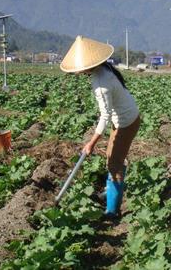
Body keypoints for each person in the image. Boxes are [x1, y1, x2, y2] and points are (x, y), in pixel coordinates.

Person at [60, 36, 140, 218]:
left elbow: (104, 116)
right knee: (112, 158)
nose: (78, 72)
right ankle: (111, 190)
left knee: (114, 164)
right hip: (122, 119)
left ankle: (112, 210)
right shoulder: (103, 69)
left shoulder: (101, 83)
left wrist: (91, 143)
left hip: (126, 122)